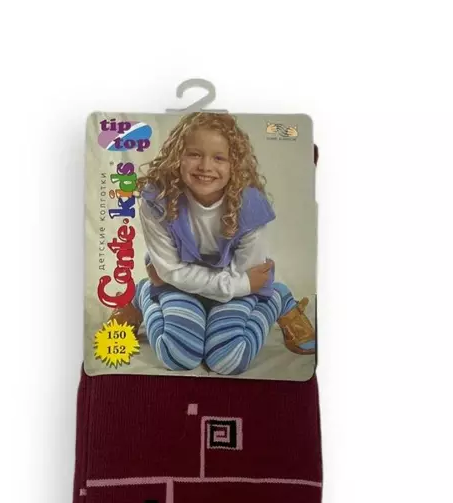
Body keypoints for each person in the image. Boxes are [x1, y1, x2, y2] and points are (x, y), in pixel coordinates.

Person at [112, 112, 316, 374]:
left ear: (235, 164)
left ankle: (277, 298)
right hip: (178, 281)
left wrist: (238, 286)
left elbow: (245, 275)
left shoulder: (250, 206)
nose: (205, 166)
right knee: (178, 355)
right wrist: (175, 280)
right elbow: (169, 270)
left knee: (228, 359)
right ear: (177, 156)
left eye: (219, 158)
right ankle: (142, 295)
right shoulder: (158, 200)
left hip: (237, 283)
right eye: (194, 154)